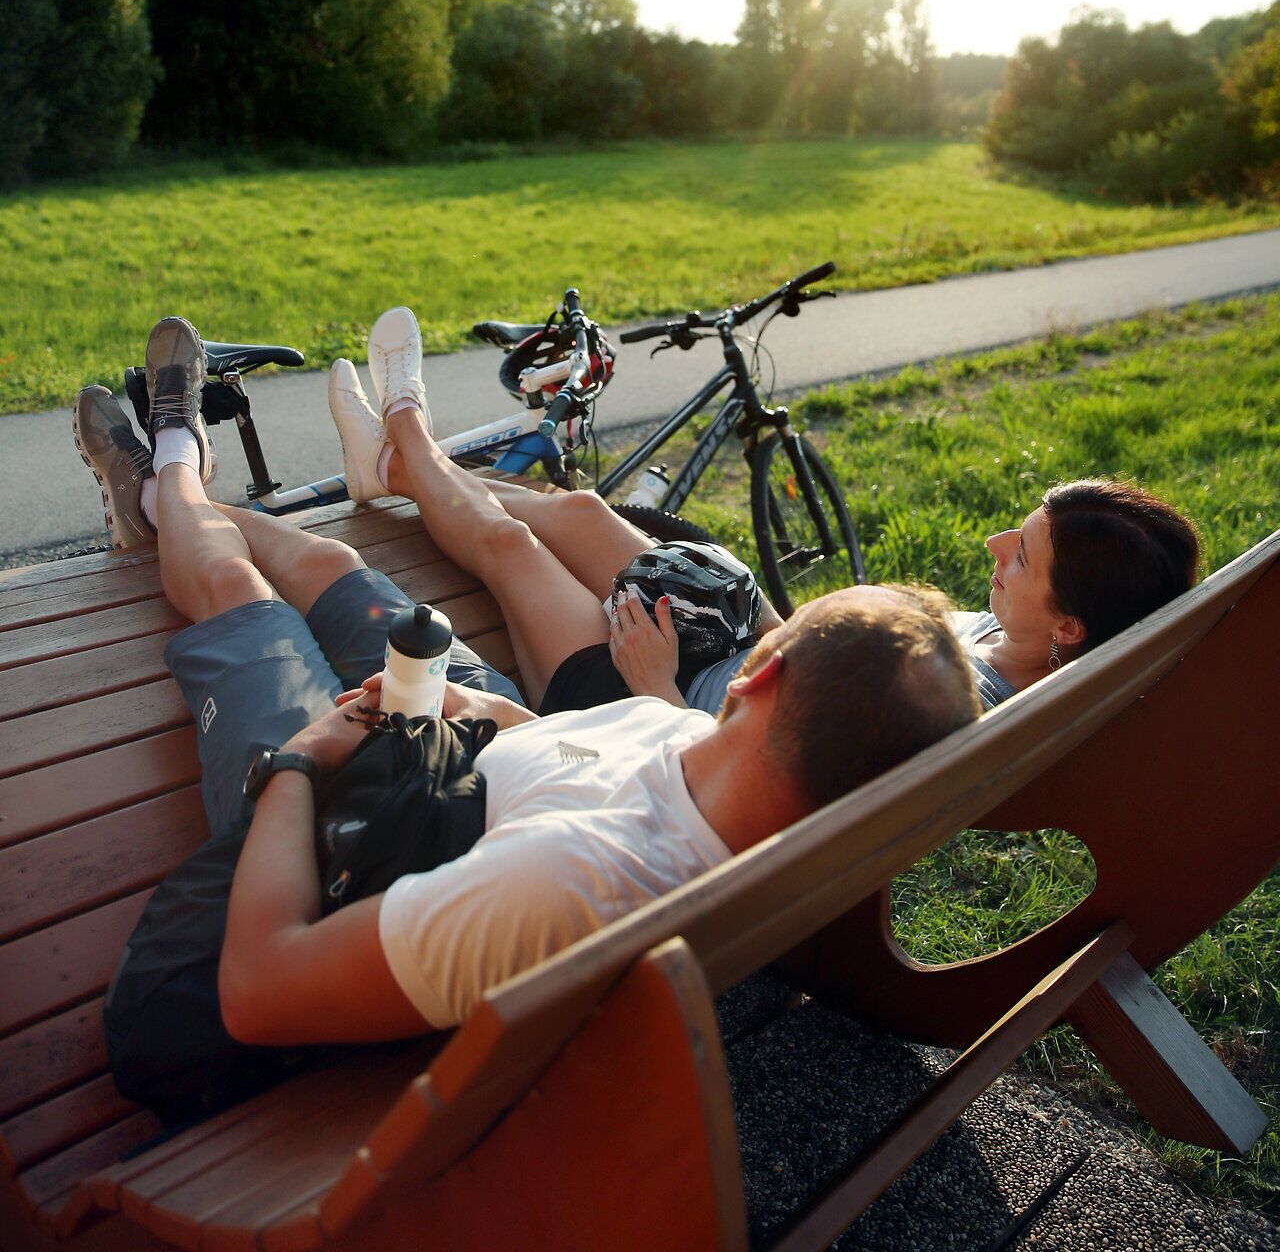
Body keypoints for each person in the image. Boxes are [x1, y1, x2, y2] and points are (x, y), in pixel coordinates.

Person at [73, 312, 981, 1053]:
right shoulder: (711, 759)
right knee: (327, 558)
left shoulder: (575, 881)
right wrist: (474, 706)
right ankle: (163, 503)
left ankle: (174, 460)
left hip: (339, 830)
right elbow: (562, 746)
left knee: (237, 590)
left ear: (762, 669)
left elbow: (259, 994)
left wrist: (300, 762)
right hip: (449, 759)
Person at [321, 313, 1202, 717]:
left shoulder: (957, 708)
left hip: (649, 699)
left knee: (510, 543)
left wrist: (656, 686)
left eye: (1024, 557)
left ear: (1072, 625)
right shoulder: (994, 643)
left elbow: (760, 778)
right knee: (583, 504)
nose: (995, 542)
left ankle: (403, 427)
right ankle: (400, 464)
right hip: (722, 649)